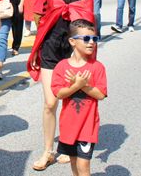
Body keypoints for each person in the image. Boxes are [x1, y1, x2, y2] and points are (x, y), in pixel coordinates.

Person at [27, 0, 94, 171]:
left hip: (74, 49)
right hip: (52, 45)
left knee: (72, 99)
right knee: (49, 102)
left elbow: (87, 21)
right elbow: (47, 18)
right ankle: (48, 151)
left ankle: (68, 144)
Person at [51, 19, 107, 176]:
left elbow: (101, 95)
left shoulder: (97, 67)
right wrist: (75, 86)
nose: (91, 43)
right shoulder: (62, 66)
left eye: (94, 39)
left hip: (87, 127)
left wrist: (82, 85)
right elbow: (58, 93)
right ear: (72, 41)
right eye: (87, 39)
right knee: (74, 163)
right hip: (68, 126)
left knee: (83, 167)